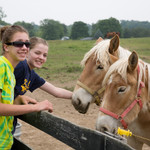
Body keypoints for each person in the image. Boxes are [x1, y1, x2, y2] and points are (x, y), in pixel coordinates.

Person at [0, 25, 53, 149]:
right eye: (18, 43)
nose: (24, 48)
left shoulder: (10, 71)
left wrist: (17, 99)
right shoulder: (2, 67)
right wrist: (35, 107)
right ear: (6, 47)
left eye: (27, 44)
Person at [13, 36, 73, 133]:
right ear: (27, 51)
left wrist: (78, 96)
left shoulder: (31, 74)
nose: (41, 57)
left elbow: (56, 91)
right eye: (37, 53)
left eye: (45, 55)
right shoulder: (20, 66)